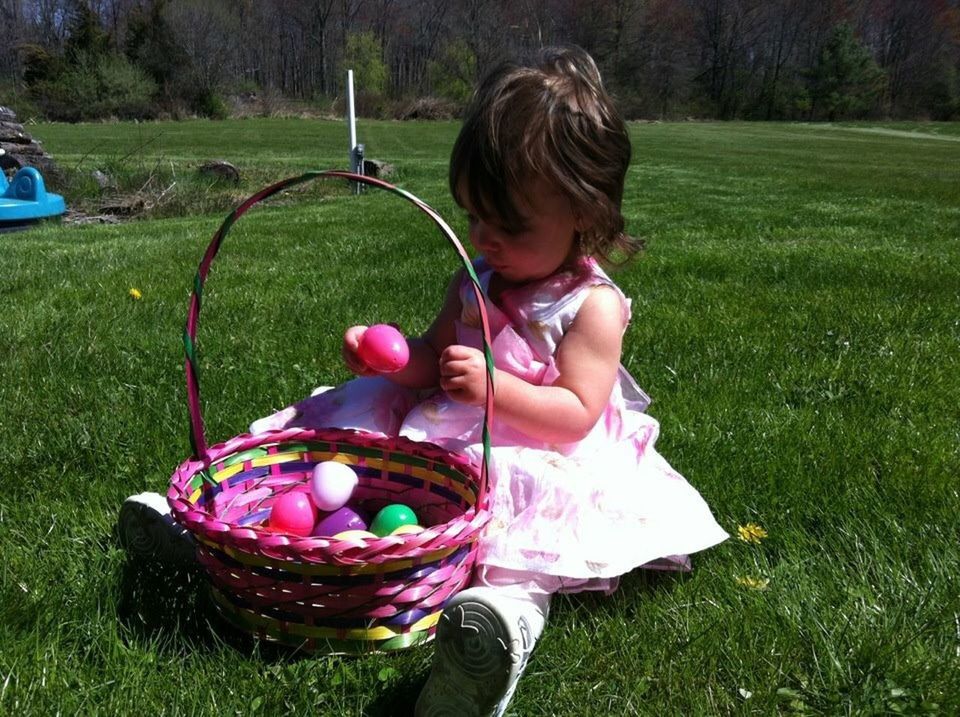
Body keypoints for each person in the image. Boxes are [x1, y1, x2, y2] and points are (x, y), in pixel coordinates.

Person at [120, 45, 728, 717]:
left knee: (515, 553)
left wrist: (496, 388)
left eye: (508, 224)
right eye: (472, 217)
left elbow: (578, 412)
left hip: (532, 449)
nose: (483, 237)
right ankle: (209, 532)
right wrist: (389, 360)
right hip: (442, 428)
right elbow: (434, 355)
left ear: (585, 215)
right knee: (333, 448)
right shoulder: (479, 277)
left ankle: (500, 630)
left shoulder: (591, 306)